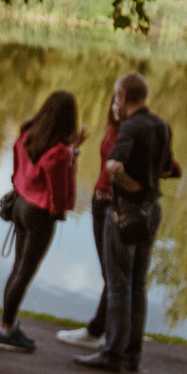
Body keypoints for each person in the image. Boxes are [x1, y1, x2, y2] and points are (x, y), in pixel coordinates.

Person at [75, 70, 172, 374]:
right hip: (153, 210)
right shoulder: (161, 125)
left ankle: (112, 353)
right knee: (138, 284)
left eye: (116, 95)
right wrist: (146, 186)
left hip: (126, 212)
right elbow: (167, 167)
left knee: (118, 283)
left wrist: (130, 185)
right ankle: (132, 355)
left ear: (123, 97)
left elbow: (114, 165)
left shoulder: (130, 127)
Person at [0, 89, 80, 351]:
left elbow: (17, 173)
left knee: (17, 268)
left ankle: (7, 325)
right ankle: (5, 332)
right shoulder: (59, 152)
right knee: (25, 272)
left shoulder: (27, 136)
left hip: (20, 204)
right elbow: (61, 196)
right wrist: (73, 157)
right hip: (39, 215)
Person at [54, 87, 127, 350]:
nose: (117, 107)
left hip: (112, 204)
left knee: (112, 272)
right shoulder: (112, 130)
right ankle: (106, 331)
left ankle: (98, 331)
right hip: (98, 203)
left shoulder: (132, 133)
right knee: (109, 271)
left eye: (122, 102)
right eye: (115, 101)